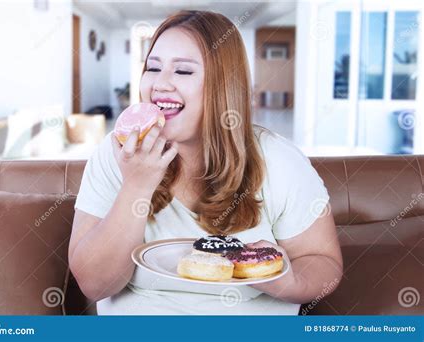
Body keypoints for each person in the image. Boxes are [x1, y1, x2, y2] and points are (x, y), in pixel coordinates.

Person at [69, 10, 343, 315]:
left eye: (183, 72)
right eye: (153, 67)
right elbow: (95, 285)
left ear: (224, 85)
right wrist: (136, 186)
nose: (160, 84)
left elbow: (324, 263)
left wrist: (283, 281)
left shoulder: (279, 160)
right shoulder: (115, 155)